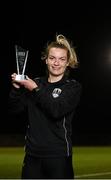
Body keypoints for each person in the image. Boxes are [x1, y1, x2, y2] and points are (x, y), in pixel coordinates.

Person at [8, 34, 82, 179]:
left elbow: (56, 110)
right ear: (46, 59)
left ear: (67, 63)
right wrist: (16, 89)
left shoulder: (72, 87)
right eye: (52, 58)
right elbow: (14, 110)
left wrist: (35, 89)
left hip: (58, 155)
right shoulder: (36, 82)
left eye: (62, 59)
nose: (56, 63)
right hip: (32, 156)